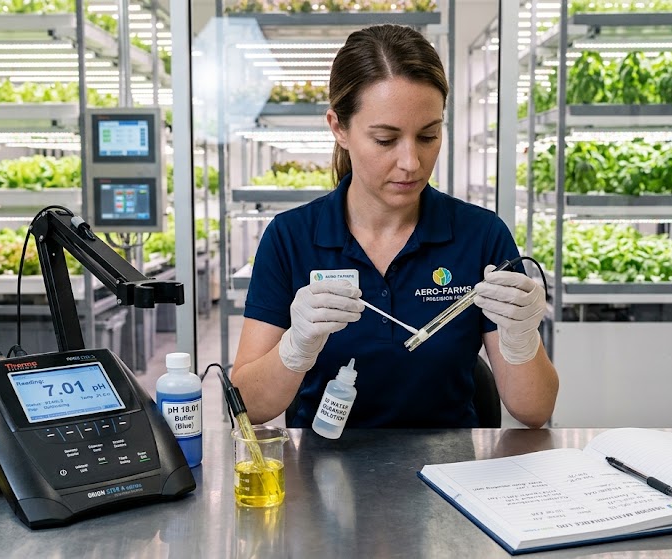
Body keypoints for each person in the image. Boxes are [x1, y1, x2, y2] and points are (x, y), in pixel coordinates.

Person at [233, 24, 558, 429]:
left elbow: (534, 412)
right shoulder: (290, 238)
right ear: (339, 128)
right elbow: (250, 408)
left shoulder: (481, 236)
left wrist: (522, 339)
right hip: (321, 475)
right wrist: (293, 350)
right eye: (386, 140)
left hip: (452, 471)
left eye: (428, 136)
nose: (411, 162)